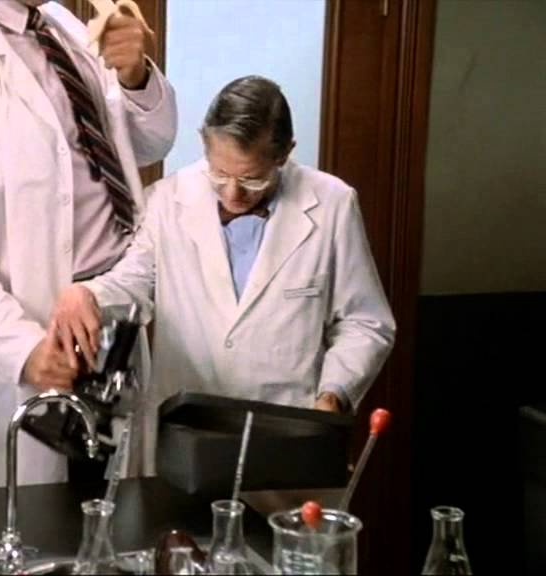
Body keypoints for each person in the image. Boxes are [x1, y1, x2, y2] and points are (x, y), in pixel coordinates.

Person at [0, 0, 177, 489]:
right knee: (37, 516)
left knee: (118, 501)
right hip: (33, 329)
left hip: (111, 309)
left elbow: (149, 146)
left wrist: (135, 78)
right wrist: (23, 349)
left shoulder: (62, 28)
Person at [51, 76, 396, 469]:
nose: (232, 193)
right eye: (219, 173)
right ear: (204, 142)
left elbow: (366, 322)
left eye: (251, 178)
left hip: (287, 430)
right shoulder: (168, 200)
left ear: (284, 154)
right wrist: (88, 294)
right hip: (185, 435)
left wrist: (333, 395)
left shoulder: (333, 204)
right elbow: (133, 282)